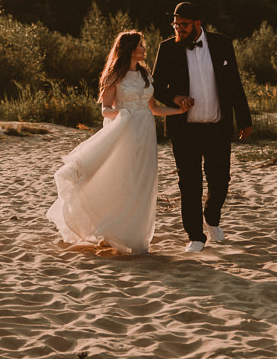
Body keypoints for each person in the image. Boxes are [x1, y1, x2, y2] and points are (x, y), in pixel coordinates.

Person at [46, 31, 193, 254]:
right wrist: (123, 113)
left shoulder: (145, 75)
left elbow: (152, 108)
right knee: (121, 181)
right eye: (141, 45)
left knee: (142, 183)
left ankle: (134, 235)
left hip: (145, 134)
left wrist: (178, 111)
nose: (145, 48)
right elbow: (105, 110)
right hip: (124, 134)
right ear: (130, 49)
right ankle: (111, 231)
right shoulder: (114, 75)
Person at [152, 1, 252, 253]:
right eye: (175, 24)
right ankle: (195, 236)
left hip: (217, 127)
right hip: (184, 130)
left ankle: (212, 217)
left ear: (197, 23)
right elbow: (156, 86)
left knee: (220, 181)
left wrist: (245, 119)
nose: (178, 28)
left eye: (183, 24)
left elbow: (235, 84)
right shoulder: (167, 48)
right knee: (189, 184)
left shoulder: (221, 44)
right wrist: (175, 98)